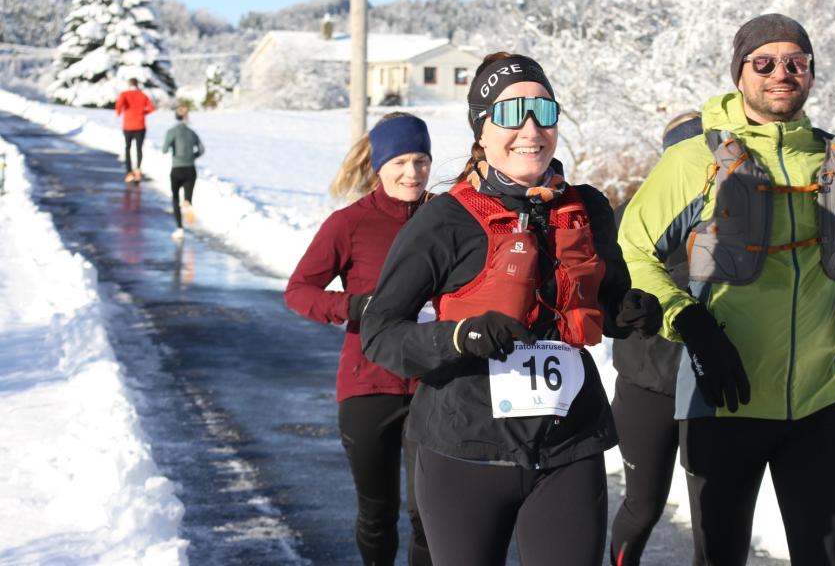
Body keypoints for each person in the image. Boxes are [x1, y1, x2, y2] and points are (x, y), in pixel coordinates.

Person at [360, 52, 662, 566]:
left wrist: (625, 311)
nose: (530, 128)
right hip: (465, 449)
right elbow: (380, 332)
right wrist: (457, 338)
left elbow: (600, 298)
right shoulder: (444, 221)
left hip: (570, 443)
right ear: (481, 130)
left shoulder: (587, 208)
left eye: (544, 112)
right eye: (509, 113)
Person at [618, 14, 835, 565]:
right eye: (764, 62)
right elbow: (634, 250)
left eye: (796, 62)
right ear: (740, 74)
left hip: (820, 401)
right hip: (725, 401)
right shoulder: (694, 158)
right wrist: (686, 321)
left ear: (811, 73)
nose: (781, 73)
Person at [284, 113, 434, 566]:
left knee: (430, 515)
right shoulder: (349, 224)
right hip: (368, 385)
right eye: (402, 161)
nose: (413, 173)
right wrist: (354, 307)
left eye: (422, 161)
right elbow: (299, 292)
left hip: (437, 385)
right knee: (377, 513)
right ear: (379, 165)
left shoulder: (446, 217)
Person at [608, 110, 701, 566]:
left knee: (714, 518)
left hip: (712, 389)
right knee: (642, 506)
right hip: (647, 388)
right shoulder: (633, 216)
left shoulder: (740, 219)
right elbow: (603, 296)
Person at [162, 105, 204, 240]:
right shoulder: (192, 132)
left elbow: (164, 149)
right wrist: (192, 156)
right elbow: (201, 149)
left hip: (177, 168)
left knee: (175, 198)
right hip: (191, 169)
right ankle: (188, 203)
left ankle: (179, 228)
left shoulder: (172, 131)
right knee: (187, 197)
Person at [114, 77, 154, 183]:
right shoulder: (142, 95)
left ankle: (129, 172)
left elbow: (118, 107)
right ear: (137, 85)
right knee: (139, 149)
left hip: (128, 125)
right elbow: (151, 108)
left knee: (127, 148)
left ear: (129, 84)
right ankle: (138, 169)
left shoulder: (124, 94)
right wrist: (143, 113)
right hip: (140, 125)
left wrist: (119, 112)